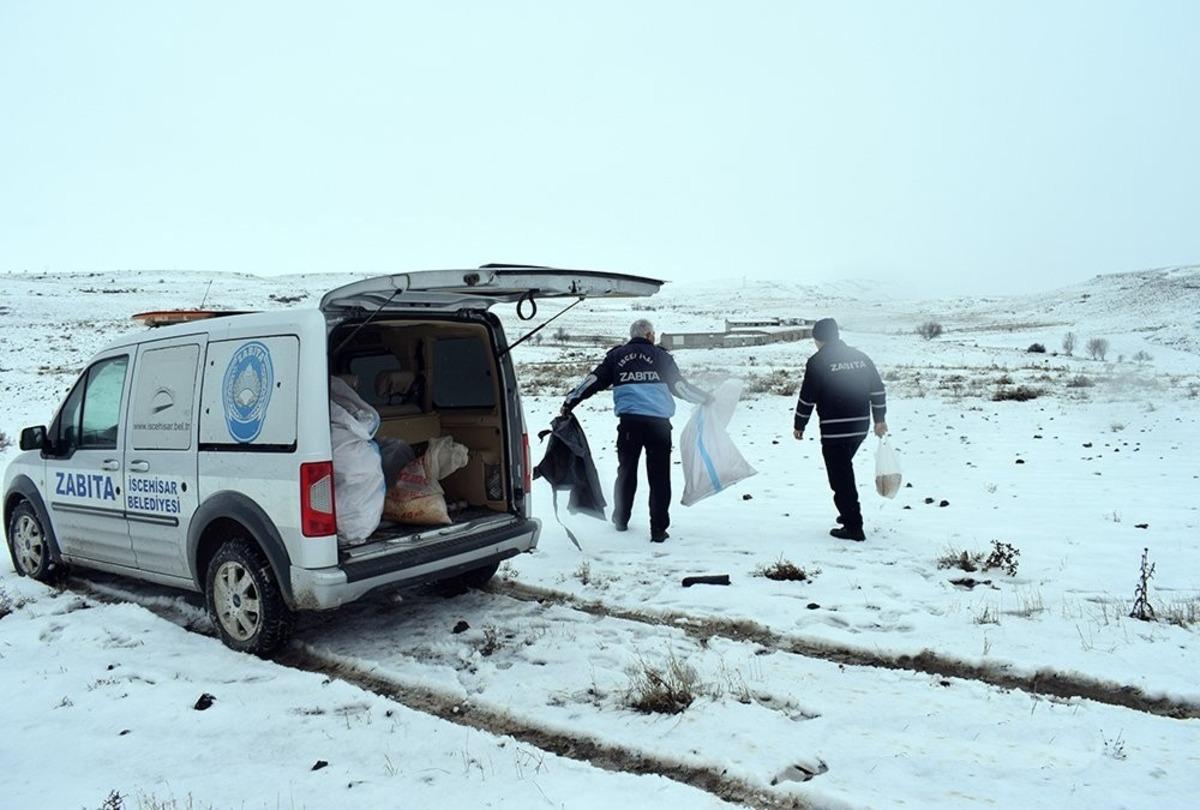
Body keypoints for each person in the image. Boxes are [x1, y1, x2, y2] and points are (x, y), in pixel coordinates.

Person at [561, 319, 711, 542]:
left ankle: (621, 519)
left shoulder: (616, 356)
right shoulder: (662, 357)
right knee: (659, 477)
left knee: (626, 472)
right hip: (659, 426)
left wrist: (569, 401)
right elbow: (680, 387)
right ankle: (658, 529)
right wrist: (706, 399)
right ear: (650, 335)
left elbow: (592, 381)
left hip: (629, 424)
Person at [793, 318, 888, 541]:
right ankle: (848, 514)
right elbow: (878, 390)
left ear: (818, 339)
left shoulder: (817, 362)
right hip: (860, 427)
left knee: (841, 477)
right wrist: (879, 419)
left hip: (835, 430)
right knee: (844, 470)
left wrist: (799, 424)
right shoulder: (860, 358)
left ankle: (853, 526)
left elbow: (807, 397)